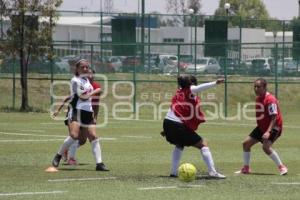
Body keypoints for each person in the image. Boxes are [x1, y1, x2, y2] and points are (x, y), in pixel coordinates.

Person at [161, 74, 226, 179]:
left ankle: (173, 172)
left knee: (179, 144)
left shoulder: (179, 92)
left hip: (168, 122)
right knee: (203, 144)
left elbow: (174, 110)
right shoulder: (189, 89)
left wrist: (166, 130)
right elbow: (200, 87)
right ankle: (213, 172)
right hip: (177, 124)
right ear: (191, 83)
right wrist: (215, 83)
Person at [51, 59, 109, 171]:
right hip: (77, 111)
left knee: (93, 136)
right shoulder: (75, 80)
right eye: (83, 67)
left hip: (88, 112)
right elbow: (84, 97)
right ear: (77, 69)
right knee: (74, 135)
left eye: (87, 67)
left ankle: (99, 164)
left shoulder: (87, 80)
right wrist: (96, 91)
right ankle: (58, 155)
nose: (86, 69)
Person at [236, 78, 288, 175]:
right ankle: (246, 168)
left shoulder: (270, 99)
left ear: (264, 87)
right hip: (262, 127)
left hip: (274, 127)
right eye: (254, 86)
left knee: (266, 147)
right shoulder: (258, 98)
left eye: (258, 87)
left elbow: (274, 117)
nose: (256, 89)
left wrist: (268, 132)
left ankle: (282, 167)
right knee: (246, 144)